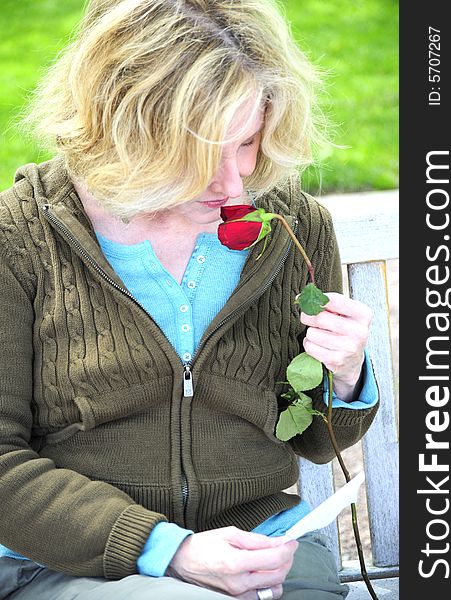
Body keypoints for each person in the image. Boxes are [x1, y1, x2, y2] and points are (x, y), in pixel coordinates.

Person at [0, 1, 379, 598]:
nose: (234, 184)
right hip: (72, 561)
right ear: (127, 128)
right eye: (199, 155)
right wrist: (172, 551)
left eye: (248, 142)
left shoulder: (292, 227)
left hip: (262, 542)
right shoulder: (20, 237)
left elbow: (311, 434)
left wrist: (346, 375)